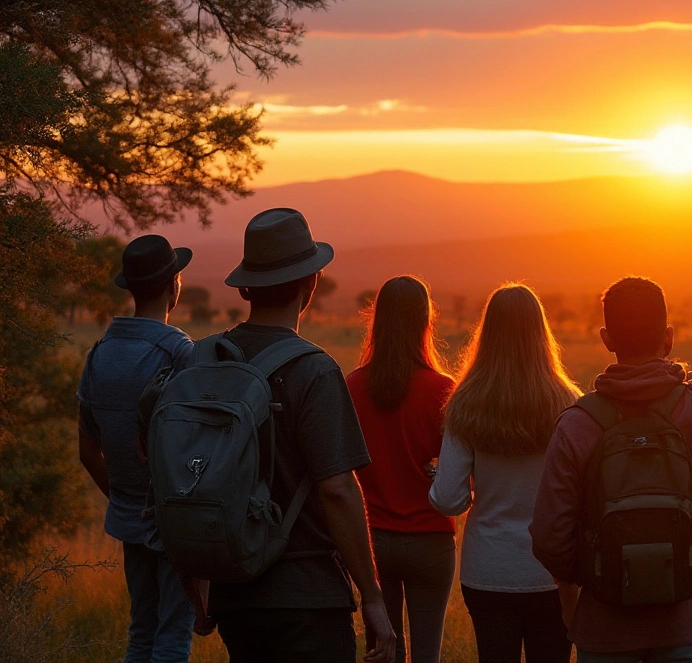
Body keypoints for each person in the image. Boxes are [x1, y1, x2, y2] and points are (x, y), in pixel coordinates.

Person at [530, 276, 692, 663]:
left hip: (605, 630)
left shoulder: (577, 423)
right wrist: (676, 378)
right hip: (683, 626)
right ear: (668, 337)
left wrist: (599, 575)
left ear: (607, 339)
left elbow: (549, 538)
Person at [209, 208, 395, 663]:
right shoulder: (314, 369)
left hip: (233, 592)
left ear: (247, 285)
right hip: (308, 596)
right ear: (310, 285)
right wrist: (372, 597)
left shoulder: (210, 361)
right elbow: (337, 491)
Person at [429, 284, 580, 663]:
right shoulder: (569, 403)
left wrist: (472, 493)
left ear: (488, 332)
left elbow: (447, 499)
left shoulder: (465, 403)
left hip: (487, 571)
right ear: (541, 333)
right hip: (553, 573)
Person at [78, 234, 199, 663]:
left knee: (141, 631)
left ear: (130, 288)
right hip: (173, 521)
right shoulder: (181, 353)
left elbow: (88, 452)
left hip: (128, 519)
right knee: (172, 636)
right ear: (174, 286)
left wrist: (126, 500)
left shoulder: (100, 354)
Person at [347, 276, 457, 663]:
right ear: (426, 322)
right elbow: (459, 475)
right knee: (427, 655)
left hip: (370, 541)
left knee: (382, 653)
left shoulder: (353, 386)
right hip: (430, 539)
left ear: (377, 322)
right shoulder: (443, 389)